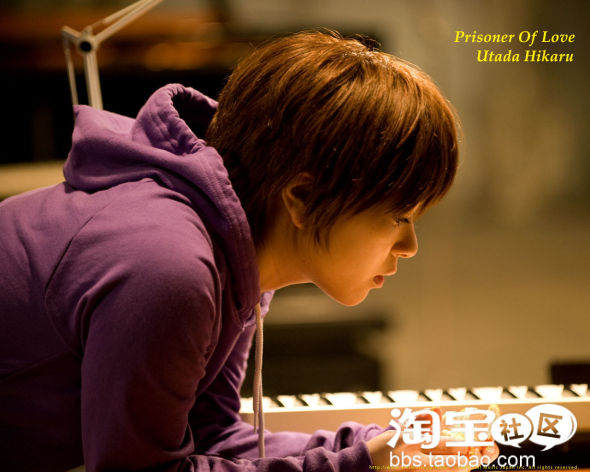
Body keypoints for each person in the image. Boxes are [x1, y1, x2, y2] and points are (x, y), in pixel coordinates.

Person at [0, 30, 496, 471]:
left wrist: (382, 444)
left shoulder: (233, 246)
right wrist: (360, 464)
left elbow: (212, 436)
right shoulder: (169, 267)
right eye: (399, 216)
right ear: (302, 199)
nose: (409, 247)